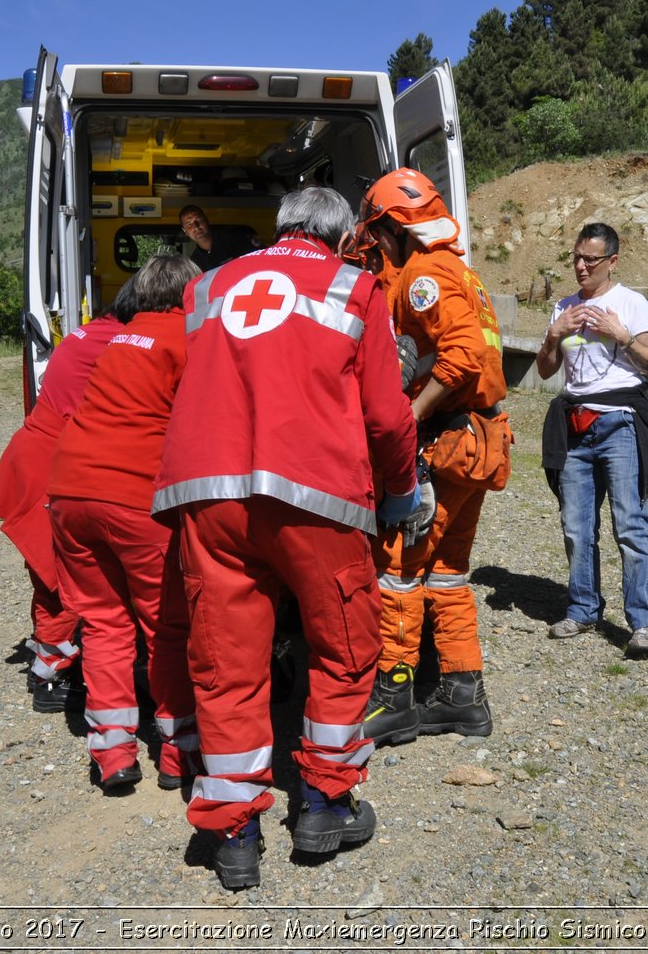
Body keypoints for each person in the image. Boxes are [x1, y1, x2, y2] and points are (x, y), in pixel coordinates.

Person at [152, 187, 419, 890]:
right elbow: (389, 419)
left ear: (279, 229)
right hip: (314, 495)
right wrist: (400, 492)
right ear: (336, 238)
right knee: (343, 643)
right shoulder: (355, 287)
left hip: (210, 497)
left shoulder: (206, 287)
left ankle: (234, 832)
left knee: (226, 660)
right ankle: (325, 804)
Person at [355, 168, 509, 747]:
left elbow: (463, 355)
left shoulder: (424, 275)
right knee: (447, 572)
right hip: (479, 441)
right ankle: (463, 694)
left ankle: (394, 694)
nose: (376, 247)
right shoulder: (459, 271)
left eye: (378, 234)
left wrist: (408, 418)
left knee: (398, 566)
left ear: (395, 228)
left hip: (447, 443)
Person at [48, 255, 203, 792]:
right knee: (166, 625)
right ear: (191, 294)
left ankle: (113, 753)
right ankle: (179, 751)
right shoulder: (189, 340)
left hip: (70, 491)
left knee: (104, 623)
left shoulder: (119, 337)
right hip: (136, 497)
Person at [0, 278, 139, 713]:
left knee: (54, 573)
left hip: (37, 456)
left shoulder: (87, 333)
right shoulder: (122, 342)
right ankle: (51, 673)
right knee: (62, 578)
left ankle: (54, 662)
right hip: (52, 466)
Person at [534, 222, 648, 659]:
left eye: (590, 259)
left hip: (620, 425)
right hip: (574, 425)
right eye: (575, 257)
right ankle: (583, 608)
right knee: (575, 526)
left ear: (612, 261)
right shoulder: (563, 307)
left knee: (630, 524)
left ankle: (646, 623)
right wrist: (555, 333)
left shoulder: (631, 304)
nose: (580, 267)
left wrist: (621, 335)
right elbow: (546, 371)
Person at [179, 205, 256, 272]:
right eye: (189, 224)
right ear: (185, 231)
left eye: (198, 220)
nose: (196, 226)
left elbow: (260, 258)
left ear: (206, 219)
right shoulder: (195, 262)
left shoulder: (232, 237)